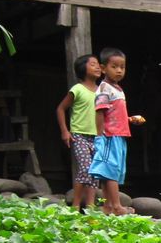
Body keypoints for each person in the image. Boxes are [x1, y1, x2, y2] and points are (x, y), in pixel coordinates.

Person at [91, 48, 146, 216]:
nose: (119, 70)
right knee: (111, 171)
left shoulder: (118, 89)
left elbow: (113, 113)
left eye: (122, 67)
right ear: (103, 68)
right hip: (109, 136)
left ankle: (108, 207)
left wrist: (128, 120)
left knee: (114, 171)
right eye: (114, 66)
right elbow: (100, 112)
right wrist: (100, 136)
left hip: (119, 134)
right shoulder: (104, 88)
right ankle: (116, 206)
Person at [55, 53, 102, 210]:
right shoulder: (78, 89)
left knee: (95, 172)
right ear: (83, 69)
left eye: (98, 64)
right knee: (85, 168)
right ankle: (75, 206)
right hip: (79, 136)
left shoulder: (102, 91)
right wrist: (64, 131)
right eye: (93, 64)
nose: (97, 66)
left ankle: (90, 206)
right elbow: (61, 109)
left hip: (98, 137)